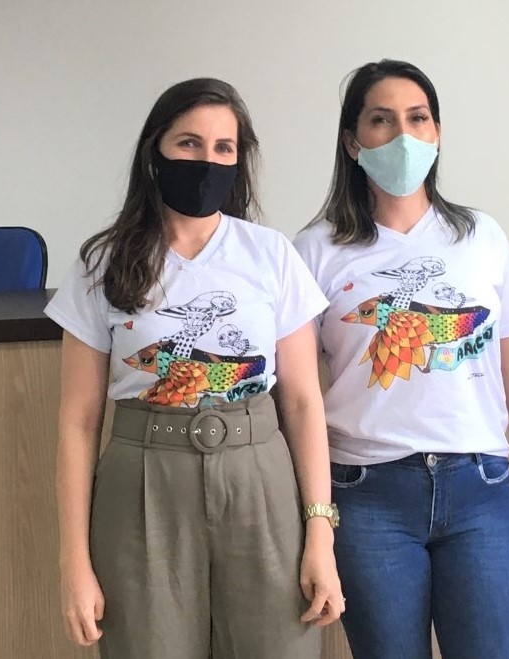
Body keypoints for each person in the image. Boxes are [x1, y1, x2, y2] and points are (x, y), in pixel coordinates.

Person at [45, 78, 343, 659]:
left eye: (223, 148)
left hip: (261, 481)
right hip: (143, 485)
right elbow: (78, 422)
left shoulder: (270, 254)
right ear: (154, 151)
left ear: (239, 160)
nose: (206, 161)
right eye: (188, 143)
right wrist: (73, 562)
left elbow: (304, 403)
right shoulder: (103, 262)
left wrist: (320, 534)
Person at [293, 59, 509, 659]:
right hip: (367, 495)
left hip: (481, 489)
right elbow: (297, 394)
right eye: (381, 121)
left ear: (437, 133)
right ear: (352, 141)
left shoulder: (480, 236)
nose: (403, 135)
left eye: (417, 119)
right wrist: (316, 518)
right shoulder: (315, 250)